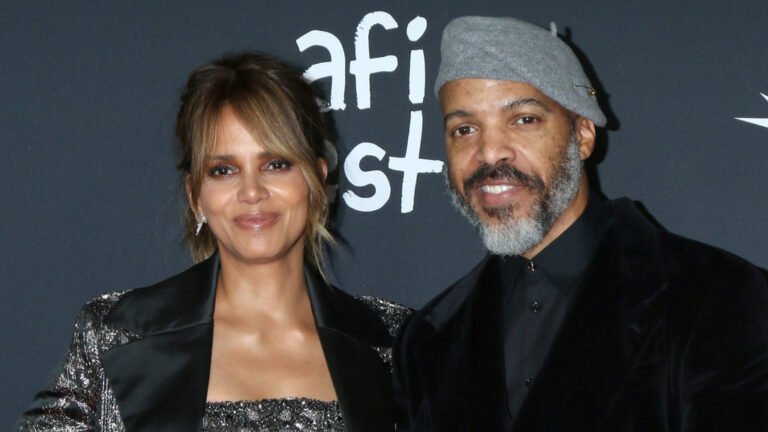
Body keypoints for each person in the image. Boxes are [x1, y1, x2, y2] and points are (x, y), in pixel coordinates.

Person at [393, 16, 768, 431]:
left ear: (583, 135)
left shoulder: (718, 296)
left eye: (524, 120)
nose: (489, 152)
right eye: (464, 129)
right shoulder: (427, 341)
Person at [17, 52, 409, 432]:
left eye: (275, 164)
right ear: (195, 196)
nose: (252, 191)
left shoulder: (394, 347)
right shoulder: (116, 335)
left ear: (316, 180)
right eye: (224, 170)